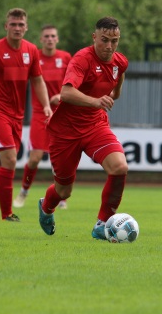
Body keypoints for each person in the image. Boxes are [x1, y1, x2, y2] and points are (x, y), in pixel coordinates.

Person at [36, 16, 129, 240]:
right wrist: (96, 100)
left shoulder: (120, 61)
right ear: (94, 37)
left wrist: (111, 96)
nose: (109, 46)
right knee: (63, 190)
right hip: (65, 131)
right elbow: (67, 92)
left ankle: (102, 224)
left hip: (95, 125)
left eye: (114, 41)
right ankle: (46, 207)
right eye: (104, 40)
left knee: (119, 167)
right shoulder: (82, 59)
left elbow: (117, 86)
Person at [0, 8, 52, 222]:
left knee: (0, 167)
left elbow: (37, 80)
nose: (17, 28)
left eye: (20, 24)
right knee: (10, 160)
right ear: (6, 26)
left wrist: (45, 106)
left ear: (26, 27)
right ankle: (7, 214)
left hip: (17, 115)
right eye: (13, 24)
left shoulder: (31, 51)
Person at [13, 25, 72, 209]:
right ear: (41, 39)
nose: (49, 39)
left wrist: (61, 97)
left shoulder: (65, 58)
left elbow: (74, 84)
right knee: (35, 158)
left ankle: (61, 196)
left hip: (62, 114)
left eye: (53, 36)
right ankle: (23, 191)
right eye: (46, 36)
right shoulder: (34, 57)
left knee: (60, 160)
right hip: (40, 114)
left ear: (57, 39)